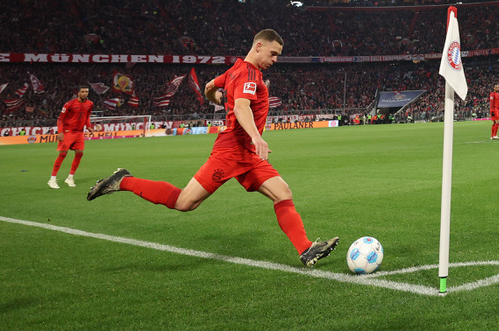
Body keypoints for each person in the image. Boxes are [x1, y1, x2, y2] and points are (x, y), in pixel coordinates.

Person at [86, 29, 338, 267]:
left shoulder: (235, 70)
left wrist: (218, 99)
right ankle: (123, 181)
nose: (275, 59)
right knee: (185, 202)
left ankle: (306, 249)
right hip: (231, 151)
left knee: (282, 192)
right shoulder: (249, 74)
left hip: (246, 153)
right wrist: (257, 137)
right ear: (258, 46)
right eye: (273, 53)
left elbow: (208, 87)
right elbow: (241, 107)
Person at [50, 85, 93, 189]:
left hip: (79, 133)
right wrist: (60, 132)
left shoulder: (90, 104)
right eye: (82, 91)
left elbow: (87, 116)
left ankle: (70, 178)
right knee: (63, 154)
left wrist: (89, 127)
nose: (84, 93)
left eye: (86, 92)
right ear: (78, 93)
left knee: (79, 153)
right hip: (68, 132)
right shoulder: (69, 104)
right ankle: (52, 179)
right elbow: (60, 118)